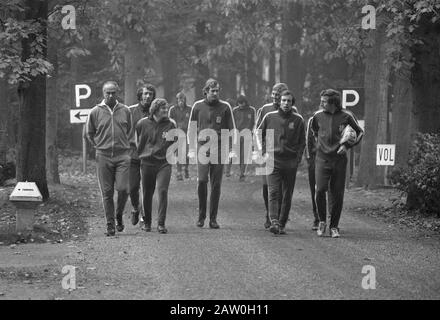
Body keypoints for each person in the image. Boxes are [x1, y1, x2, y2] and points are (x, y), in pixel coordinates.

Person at [310, 89, 364, 238]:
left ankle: (334, 226)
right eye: (321, 100)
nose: (321, 103)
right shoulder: (317, 116)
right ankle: (322, 221)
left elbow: (359, 132)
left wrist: (346, 146)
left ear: (333, 103)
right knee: (320, 190)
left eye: (324, 101)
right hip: (322, 159)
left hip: (339, 161)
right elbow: (315, 132)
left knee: (337, 194)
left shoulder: (347, 116)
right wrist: (320, 147)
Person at [187, 78, 236, 229]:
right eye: (212, 91)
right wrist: (191, 149)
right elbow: (191, 128)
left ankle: (213, 219)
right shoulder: (197, 106)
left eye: (217, 91)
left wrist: (232, 150)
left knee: (216, 184)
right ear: (206, 91)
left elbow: (232, 130)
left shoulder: (225, 107)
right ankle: (201, 216)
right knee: (202, 181)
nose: (215, 93)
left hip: (219, 148)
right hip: (203, 148)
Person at [86, 81, 132, 236]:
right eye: (108, 93)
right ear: (103, 93)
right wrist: (98, 146)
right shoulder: (95, 111)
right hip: (103, 156)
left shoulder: (125, 110)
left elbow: (130, 130)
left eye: (113, 92)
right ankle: (110, 224)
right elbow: (89, 133)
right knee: (107, 192)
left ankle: (118, 214)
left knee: (123, 189)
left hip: (122, 155)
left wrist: (127, 146)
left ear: (117, 92)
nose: (111, 95)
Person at [256, 90, 305, 235]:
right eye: (283, 100)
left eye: (289, 101)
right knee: (273, 192)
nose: (286, 103)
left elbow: (302, 141)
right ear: (279, 102)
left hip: (290, 162)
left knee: (287, 194)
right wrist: (262, 151)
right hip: (273, 160)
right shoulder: (269, 116)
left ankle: (282, 222)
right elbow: (258, 133)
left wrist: (298, 158)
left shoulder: (298, 120)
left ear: (292, 103)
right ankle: (274, 221)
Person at [136, 98, 176, 234]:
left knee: (162, 190)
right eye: (163, 108)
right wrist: (139, 155)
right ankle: (147, 222)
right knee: (147, 193)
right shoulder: (142, 124)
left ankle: (161, 223)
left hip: (164, 163)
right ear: (155, 110)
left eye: (166, 108)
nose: (166, 110)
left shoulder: (171, 125)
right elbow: (136, 141)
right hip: (146, 163)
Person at [255, 83, 288, 229]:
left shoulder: (291, 109)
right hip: (266, 153)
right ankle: (269, 214)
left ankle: (279, 216)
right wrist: (260, 149)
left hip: (284, 154)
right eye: (273, 93)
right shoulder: (264, 109)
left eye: (278, 94)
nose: (274, 96)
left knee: (281, 187)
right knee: (266, 185)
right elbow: (256, 131)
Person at [128, 84, 156, 227]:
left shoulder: (156, 113)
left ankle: (145, 219)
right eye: (145, 93)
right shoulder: (130, 110)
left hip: (150, 157)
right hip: (133, 155)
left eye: (150, 94)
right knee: (132, 187)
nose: (147, 96)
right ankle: (134, 207)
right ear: (140, 95)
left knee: (147, 189)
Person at [225, 95, 256, 181]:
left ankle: (242, 174)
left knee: (244, 156)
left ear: (246, 102)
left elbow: (255, 122)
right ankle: (227, 171)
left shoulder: (252, 110)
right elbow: (232, 122)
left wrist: (252, 133)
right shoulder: (235, 110)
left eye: (242, 103)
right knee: (233, 153)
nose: (241, 105)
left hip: (247, 136)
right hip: (236, 135)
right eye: (239, 103)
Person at [168, 91, 192, 181]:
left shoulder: (190, 109)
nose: (180, 101)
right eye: (178, 99)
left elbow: (192, 121)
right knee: (178, 154)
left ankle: (186, 168)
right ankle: (179, 173)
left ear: (185, 100)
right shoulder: (172, 109)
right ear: (176, 100)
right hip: (177, 134)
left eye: (182, 99)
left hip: (187, 135)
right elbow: (169, 121)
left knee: (186, 154)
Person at [306, 114, 319, 230]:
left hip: (332, 160)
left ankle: (331, 220)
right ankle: (317, 218)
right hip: (315, 161)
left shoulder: (339, 117)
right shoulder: (313, 119)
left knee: (331, 191)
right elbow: (307, 141)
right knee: (315, 190)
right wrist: (309, 160)